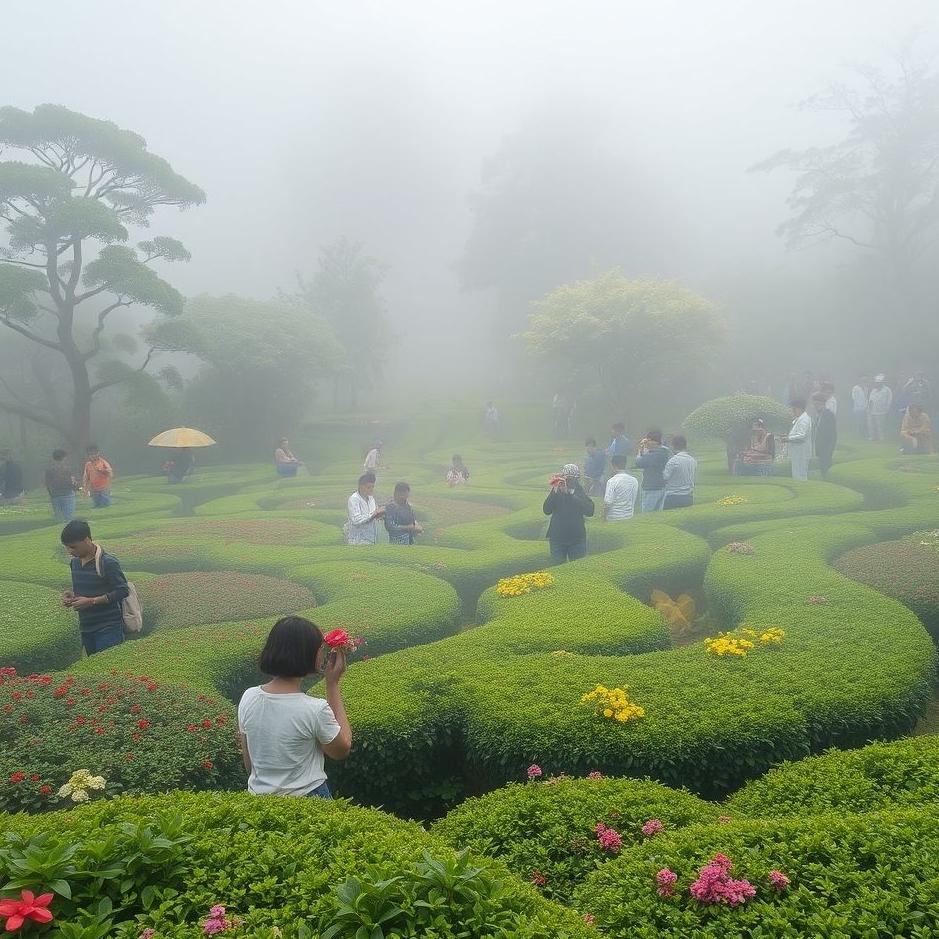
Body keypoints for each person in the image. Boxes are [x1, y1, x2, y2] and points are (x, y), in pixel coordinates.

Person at [238, 616, 351, 799]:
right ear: (308, 654)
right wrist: (332, 685)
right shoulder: (315, 709)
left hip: (258, 799)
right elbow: (341, 749)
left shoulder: (249, 697)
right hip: (308, 798)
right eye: (320, 648)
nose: (322, 653)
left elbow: (249, 763)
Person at [60, 519, 129, 656]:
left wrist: (91, 601)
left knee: (109, 669)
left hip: (108, 627)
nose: (69, 551)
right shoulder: (74, 563)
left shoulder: (108, 562)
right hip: (86, 627)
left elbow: (123, 591)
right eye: (67, 547)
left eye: (73, 547)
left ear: (86, 540)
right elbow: (87, 590)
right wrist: (71, 596)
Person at [543, 463, 594, 563]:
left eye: (572, 479)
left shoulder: (579, 492)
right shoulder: (557, 491)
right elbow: (546, 510)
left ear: (576, 479)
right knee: (557, 567)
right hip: (557, 538)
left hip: (576, 539)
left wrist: (571, 494)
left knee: (578, 569)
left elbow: (590, 511)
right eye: (567, 479)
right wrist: (555, 490)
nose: (569, 481)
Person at [634, 430, 672, 511]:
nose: (646, 443)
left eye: (648, 440)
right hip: (662, 486)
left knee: (647, 514)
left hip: (651, 487)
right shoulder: (665, 451)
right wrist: (643, 450)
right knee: (657, 514)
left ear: (654, 442)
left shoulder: (655, 454)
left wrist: (639, 451)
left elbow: (639, 462)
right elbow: (646, 460)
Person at [346, 472, 384, 545]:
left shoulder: (371, 498)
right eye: (368, 487)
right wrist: (373, 514)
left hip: (371, 538)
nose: (371, 489)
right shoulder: (354, 499)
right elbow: (356, 520)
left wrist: (379, 515)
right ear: (361, 486)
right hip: (358, 540)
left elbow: (373, 515)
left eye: (373, 487)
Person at [783, 399, 813, 481]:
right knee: (797, 474)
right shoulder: (799, 418)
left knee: (800, 475)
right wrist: (788, 437)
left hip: (801, 453)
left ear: (800, 408)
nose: (793, 411)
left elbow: (801, 435)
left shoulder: (804, 419)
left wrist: (788, 439)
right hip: (798, 452)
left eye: (794, 409)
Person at [663, 436, 697, 508]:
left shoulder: (673, 461)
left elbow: (664, 478)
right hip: (688, 497)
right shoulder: (692, 460)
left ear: (673, 446)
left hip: (673, 497)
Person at [603, 454, 639, 521]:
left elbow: (608, 502)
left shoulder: (612, 481)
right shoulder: (634, 480)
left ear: (613, 465)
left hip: (613, 518)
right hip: (629, 517)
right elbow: (634, 499)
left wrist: (604, 518)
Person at [45, 449, 78, 520]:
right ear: (64, 458)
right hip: (67, 494)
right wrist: (76, 488)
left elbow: (47, 484)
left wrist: (51, 495)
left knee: (59, 518)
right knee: (69, 517)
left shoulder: (49, 470)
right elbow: (73, 482)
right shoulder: (68, 469)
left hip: (55, 496)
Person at [811, 392, 838, 479]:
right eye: (815, 404)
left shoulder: (829, 415)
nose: (816, 407)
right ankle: (825, 478)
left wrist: (830, 448)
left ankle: (829, 481)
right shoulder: (818, 415)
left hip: (827, 447)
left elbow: (833, 434)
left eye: (818, 404)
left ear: (823, 404)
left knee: (826, 466)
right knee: (822, 466)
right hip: (820, 446)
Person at [867, 375, 893, 441]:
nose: (877, 384)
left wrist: (887, 409)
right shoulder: (873, 390)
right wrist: (869, 409)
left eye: (879, 382)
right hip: (872, 410)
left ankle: (881, 437)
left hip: (882, 411)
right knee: (871, 425)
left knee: (880, 425)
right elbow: (870, 400)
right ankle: (872, 437)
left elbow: (889, 400)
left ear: (882, 382)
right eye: (876, 383)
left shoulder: (887, 390)